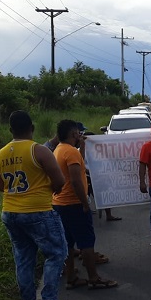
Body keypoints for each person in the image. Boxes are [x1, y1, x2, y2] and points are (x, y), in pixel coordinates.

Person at [0, 111, 76, 300]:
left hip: (10, 212)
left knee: (23, 260)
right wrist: (48, 189)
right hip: (37, 211)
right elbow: (59, 181)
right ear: (32, 128)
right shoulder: (38, 150)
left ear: (10, 130)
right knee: (57, 253)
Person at [52, 120, 118, 290]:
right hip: (73, 204)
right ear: (74, 134)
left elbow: (76, 165)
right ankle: (93, 278)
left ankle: (71, 277)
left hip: (59, 203)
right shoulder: (71, 152)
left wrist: (82, 147)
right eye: (77, 133)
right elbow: (75, 180)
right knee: (86, 243)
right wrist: (85, 203)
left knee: (68, 242)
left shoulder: (59, 150)